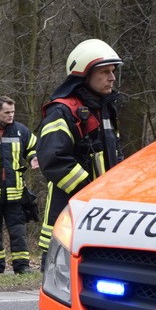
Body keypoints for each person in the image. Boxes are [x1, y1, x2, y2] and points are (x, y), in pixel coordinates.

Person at [36, 39, 123, 265]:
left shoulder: (105, 109)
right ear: (84, 75)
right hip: (70, 210)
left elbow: (115, 157)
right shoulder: (62, 112)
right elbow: (53, 161)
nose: (112, 77)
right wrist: (89, 190)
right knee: (63, 286)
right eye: (104, 72)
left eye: (112, 71)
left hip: (102, 211)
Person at [0, 96, 39, 274]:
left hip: (15, 193)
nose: (11, 115)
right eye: (7, 112)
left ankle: (22, 266)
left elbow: (33, 147)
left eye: (13, 112)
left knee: (18, 232)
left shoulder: (21, 131)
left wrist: (34, 157)